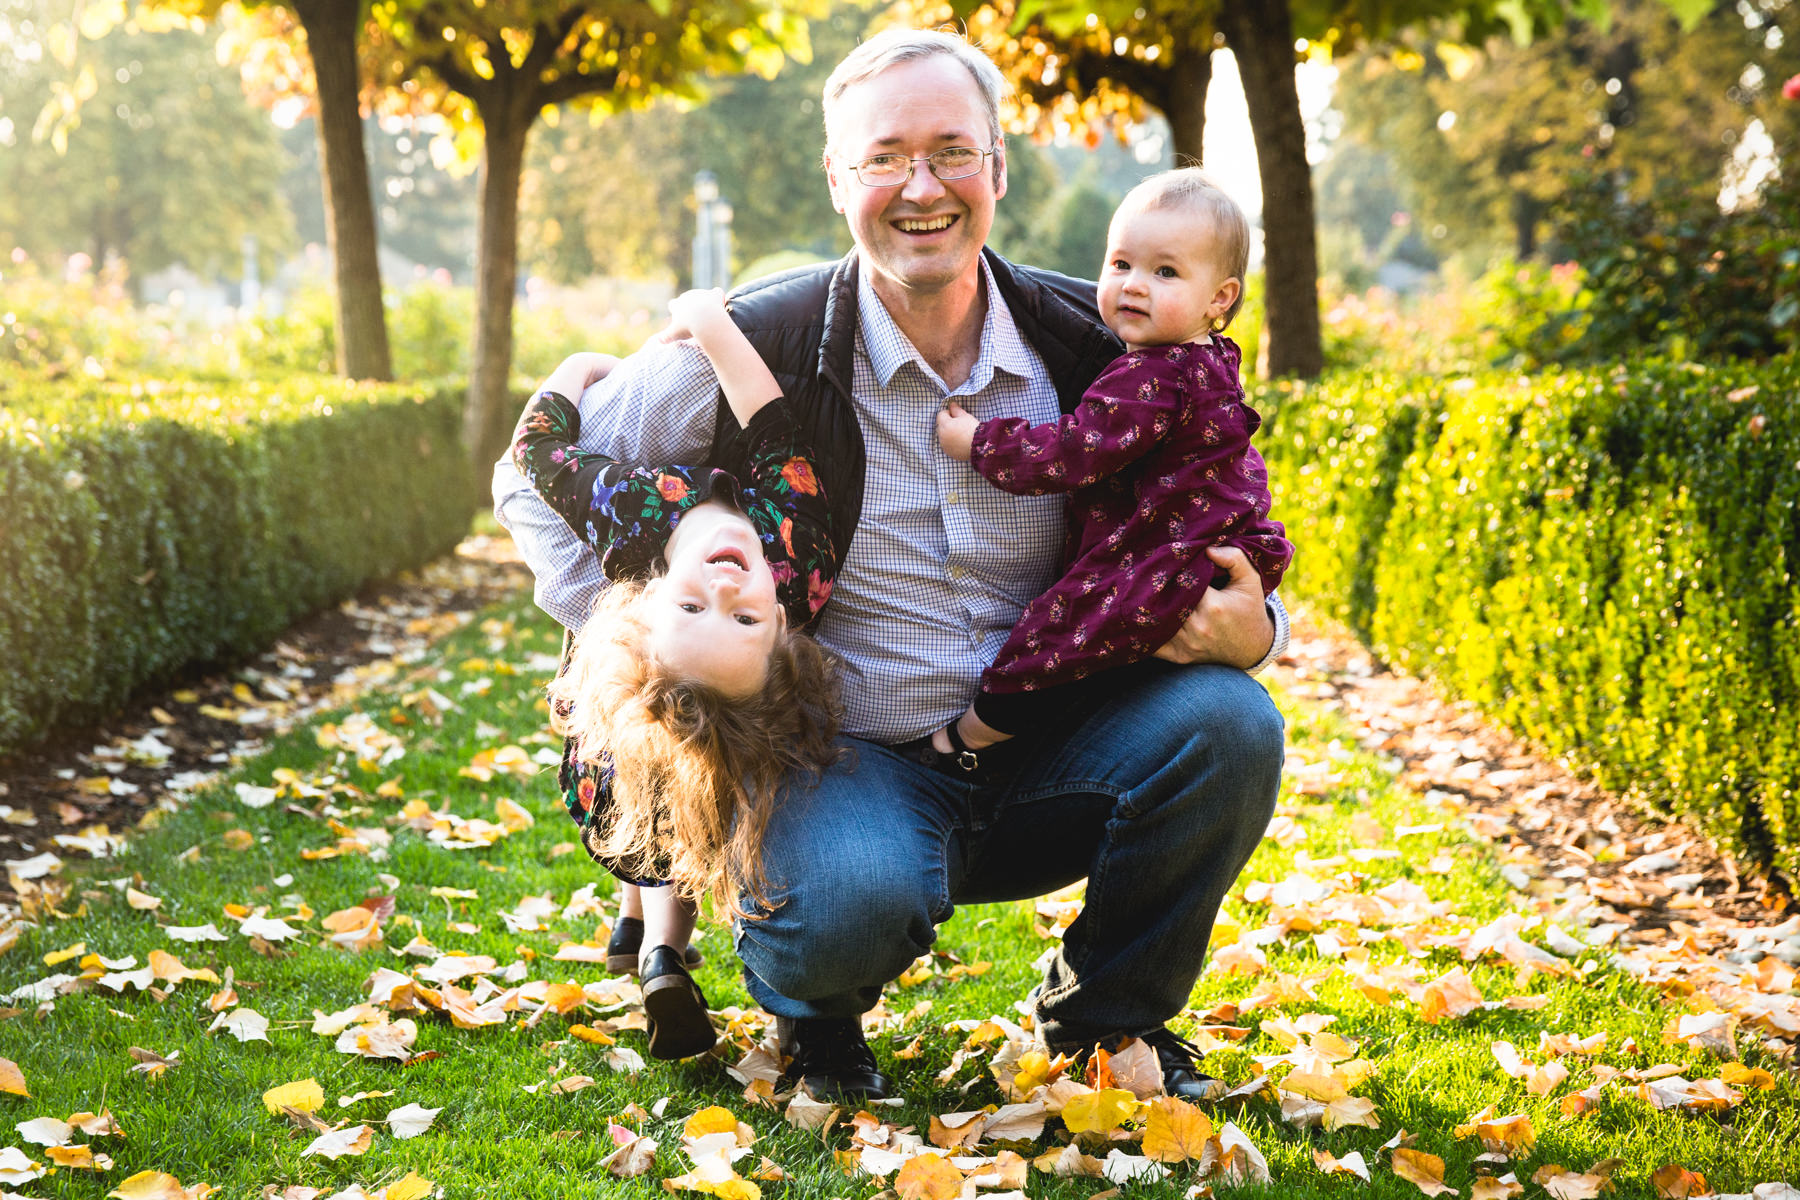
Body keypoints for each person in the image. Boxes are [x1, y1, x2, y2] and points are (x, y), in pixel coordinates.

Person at [494, 28, 1290, 1103]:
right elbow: (525, 483)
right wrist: (653, 626)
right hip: (847, 766)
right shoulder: (752, 344)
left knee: (1234, 727)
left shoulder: (1099, 346)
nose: (922, 187)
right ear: (840, 177)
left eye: (952, 151)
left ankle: (1106, 1017)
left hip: (1053, 744)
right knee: (841, 907)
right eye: (884, 157)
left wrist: (1262, 630)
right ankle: (817, 1019)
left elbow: (1222, 511)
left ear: (998, 168)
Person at [509, 289, 841, 1061]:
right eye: (742, 618)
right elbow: (772, 427)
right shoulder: (797, 557)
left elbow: (538, 450)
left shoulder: (631, 511)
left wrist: (575, 372)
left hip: (641, 713)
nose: (726, 591)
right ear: (784, 621)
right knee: (677, 802)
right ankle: (655, 942)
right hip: (628, 722)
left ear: (649, 604)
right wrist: (707, 318)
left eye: (697, 607)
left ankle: (644, 937)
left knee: (678, 789)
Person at [930, 168, 1293, 761]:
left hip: (1155, 553)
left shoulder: (1152, 375)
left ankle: (971, 733)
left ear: (1219, 299)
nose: (1134, 286)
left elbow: (1075, 452)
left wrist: (980, 443)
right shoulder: (1213, 359)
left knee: (1061, 628)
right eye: (1121, 264)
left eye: (1165, 272)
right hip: (1201, 543)